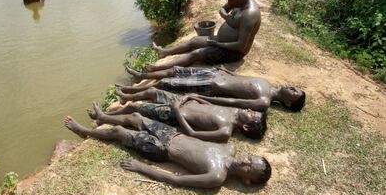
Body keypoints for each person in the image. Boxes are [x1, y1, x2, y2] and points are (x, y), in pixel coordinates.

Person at [64, 113, 271, 188]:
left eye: (249, 167)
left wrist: (140, 167)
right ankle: (103, 117)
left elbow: (177, 180)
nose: (246, 160)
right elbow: (198, 137)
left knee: (119, 132)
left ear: (247, 179)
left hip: (161, 149)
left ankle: (84, 132)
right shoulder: (230, 147)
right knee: (135, 117)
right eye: (251, 158)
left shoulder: (217, 176)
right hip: (172, 134)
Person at [146, 0, 261, 72]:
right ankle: (164, 52)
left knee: (196, 54)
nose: (229, 4)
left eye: (231, 1)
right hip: (221, 41)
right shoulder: (238, 2)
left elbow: (240, 45)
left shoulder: (249, 14)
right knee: (194, 41)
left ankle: (156, 68)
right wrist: (226, 17)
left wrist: (218, 44)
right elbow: (223, 9)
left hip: (233, 52)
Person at [99, 88, 267, 141]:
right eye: (253, 111)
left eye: (253, 116)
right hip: (182, 101)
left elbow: (191, 133)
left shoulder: (225, 131)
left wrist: (177, 110)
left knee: (135, 108)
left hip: (173, 112)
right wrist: (192, 96)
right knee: (151, 91)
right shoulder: (232, 113)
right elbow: (209, 105)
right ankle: (126, 97)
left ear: (246, 126)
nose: (251, 111)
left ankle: (105, 115)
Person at [122, 66, 306, 112]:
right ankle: (141, 76)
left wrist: (206, 100)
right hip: (213, 74)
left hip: (210, 86)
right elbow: (242, 79)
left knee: (166, 84)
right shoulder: (267, 83)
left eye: (294, 92)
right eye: (296, 87)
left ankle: (129, 94)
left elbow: (232, 101)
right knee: (174, 71)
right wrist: (225, 70)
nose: (293, 87)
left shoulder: (264, 101)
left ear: (288, 103)